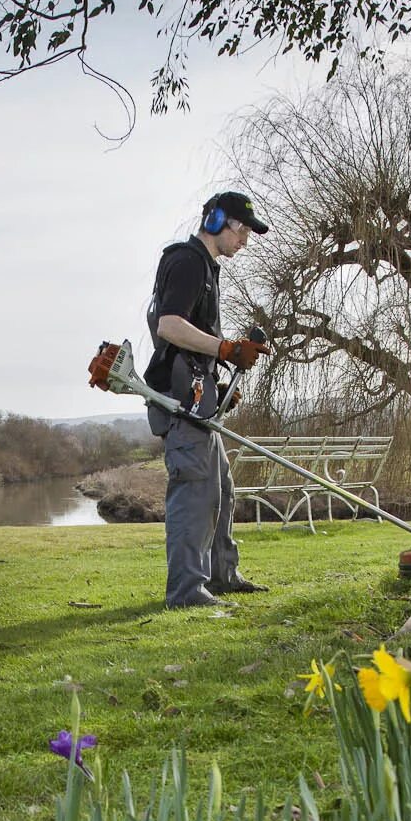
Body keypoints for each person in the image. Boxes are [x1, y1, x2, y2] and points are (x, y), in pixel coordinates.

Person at [144, 191, 273, 608]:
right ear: (217, 220)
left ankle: (222, 577)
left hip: (200, 401)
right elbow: (169, 325)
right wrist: (226, 349)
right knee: (195, 494)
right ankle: (185, 592)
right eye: (241, 230)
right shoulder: (185, 260)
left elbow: (197, 346)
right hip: (180, 405)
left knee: (221, 490)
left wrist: (218, 387)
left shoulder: (207, 269)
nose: (245, 241)